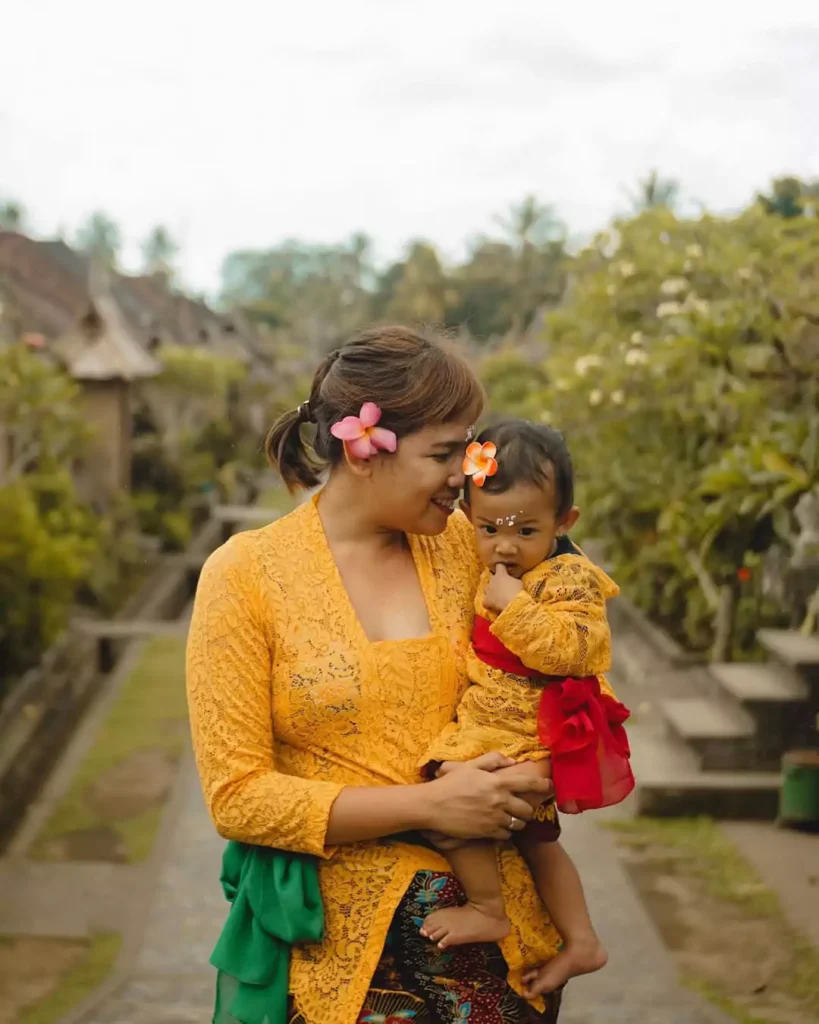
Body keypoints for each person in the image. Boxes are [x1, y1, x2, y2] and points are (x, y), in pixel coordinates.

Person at [187, 328, 576, 1024]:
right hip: (344, 961)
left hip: (508, 950)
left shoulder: (473, 550)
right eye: (442, 453)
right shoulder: (246, 577)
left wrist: (534, 771)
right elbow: (239, 798)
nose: (467, 474)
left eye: (470, 448)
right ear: (364, 450)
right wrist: (427, 807)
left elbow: (561, 674)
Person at [419, 419, 634, 995]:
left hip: (526, 734)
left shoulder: (568, 578)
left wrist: (514, 608)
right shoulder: (480, 555)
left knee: (450, 802)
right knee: (540, 843)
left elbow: (581, 650)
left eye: (526, 529)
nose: (506, 545)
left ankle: (489, 909)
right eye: (489, 527)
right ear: (466, 514)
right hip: (494, 722)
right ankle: (583, 940)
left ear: (566, 523)